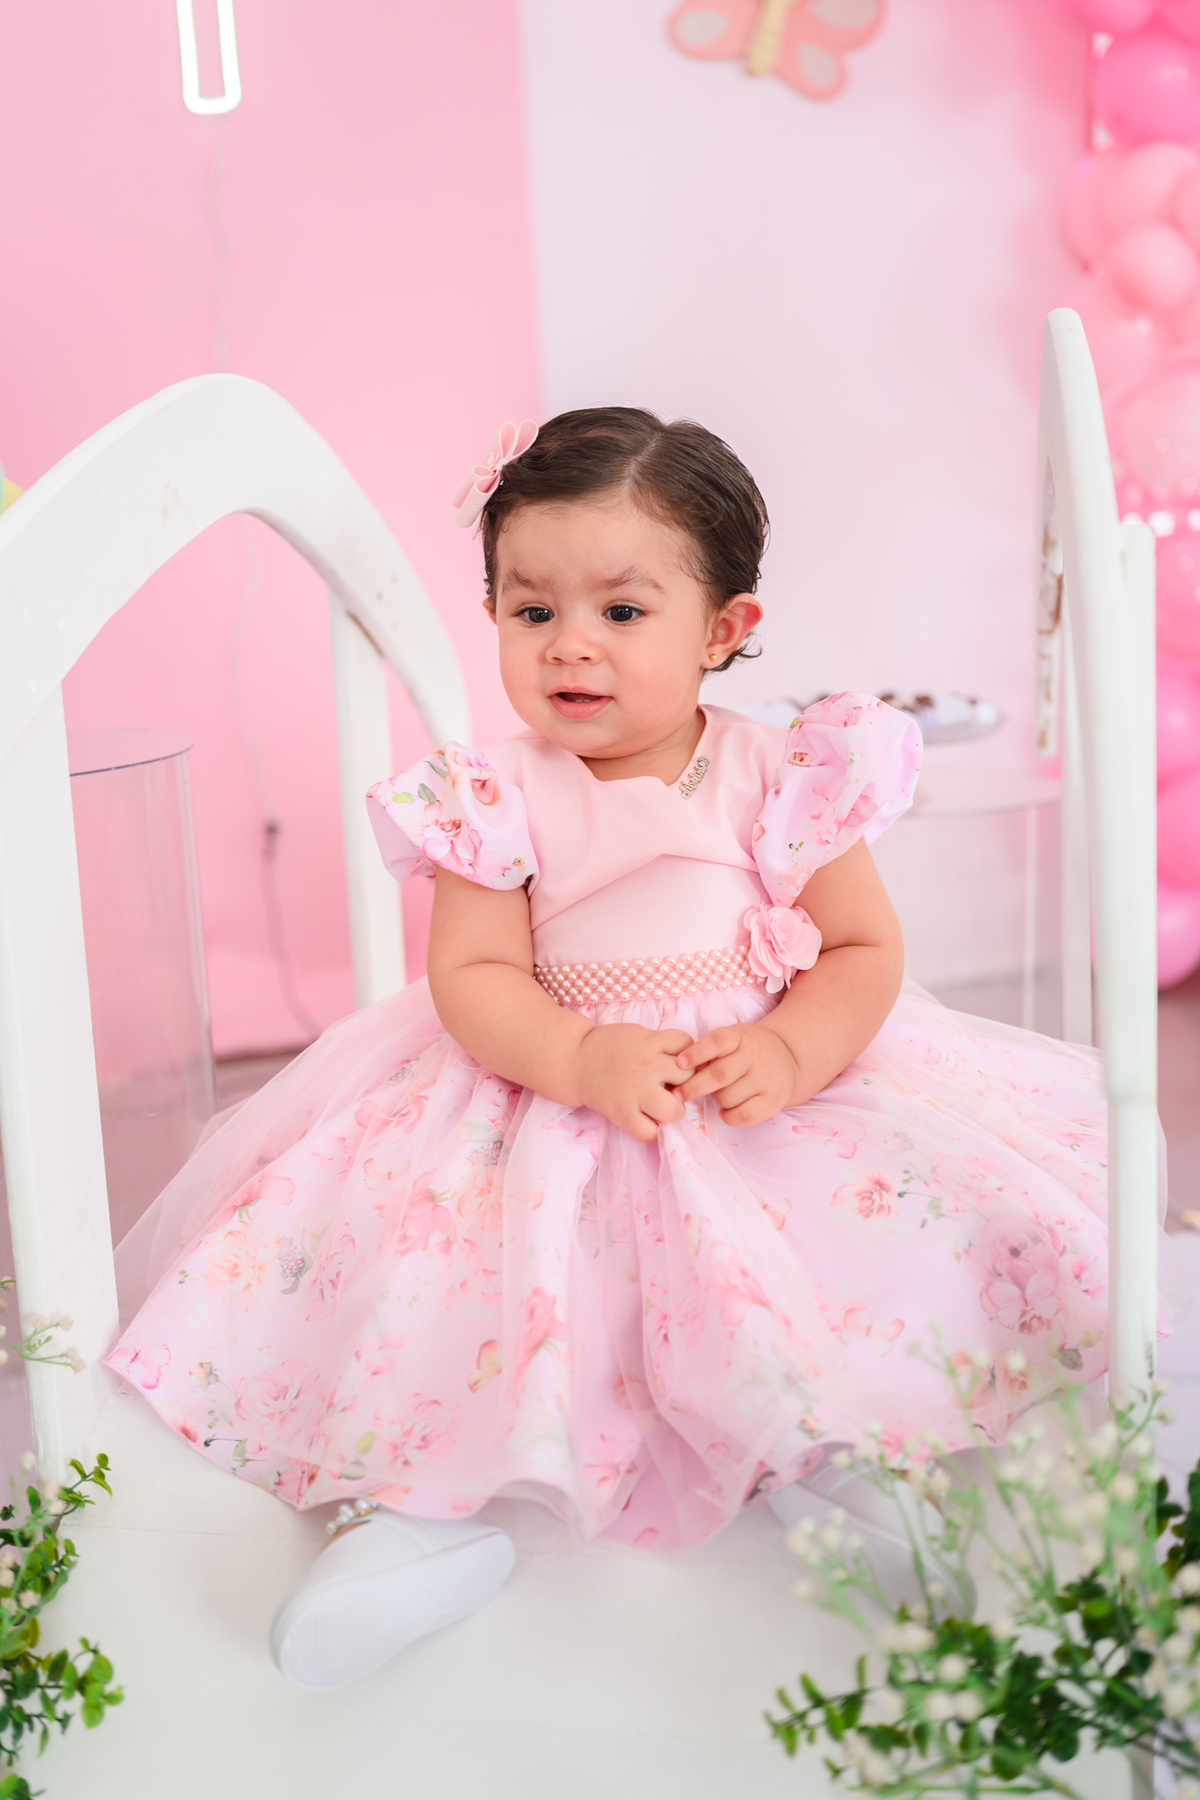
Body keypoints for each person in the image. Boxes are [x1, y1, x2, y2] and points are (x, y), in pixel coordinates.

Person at [107, 407, 1113, 1692]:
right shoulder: (493, 795)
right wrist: (579, 1057)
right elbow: (474, 976)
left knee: (816, 1262)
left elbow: (863, 947)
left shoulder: (783, 772)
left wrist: (796, 1050)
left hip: (750, 1087)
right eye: (532, 611)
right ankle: (415, 1524)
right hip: (547, 1084)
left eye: (622, 612)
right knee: (452, 1275)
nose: (570, 644)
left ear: (723, 630)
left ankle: (835, 1468)